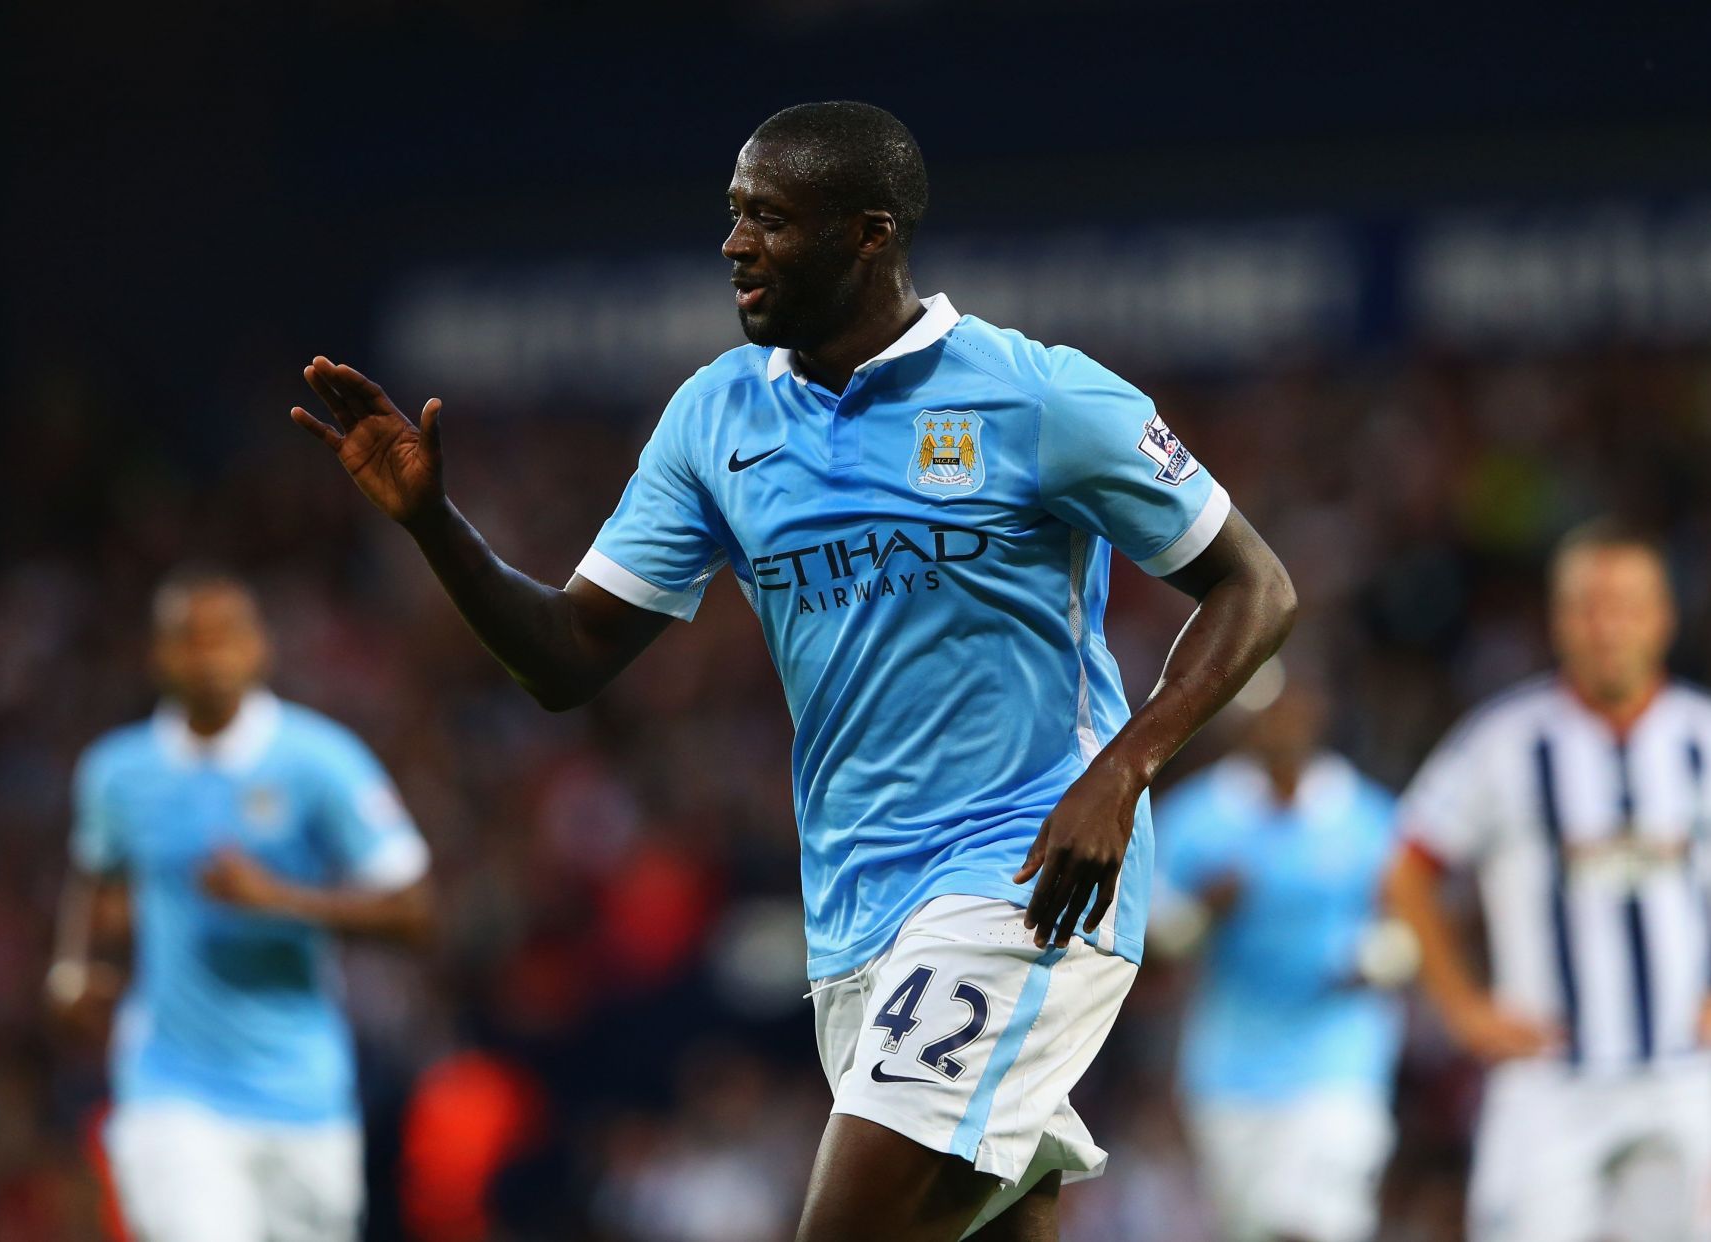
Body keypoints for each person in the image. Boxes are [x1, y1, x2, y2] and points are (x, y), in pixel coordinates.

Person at [290, 101, 1296, 1241]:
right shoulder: (714, 418)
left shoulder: (1038, 394)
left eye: (767, 216)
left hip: (1022, 879)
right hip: (855, 918)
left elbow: (1256, 586)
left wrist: (1122, 772)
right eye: (732, 216)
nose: (734, 244)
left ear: (869, 235)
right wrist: (435, 526)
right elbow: (567, 657)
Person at [1383, 519, 1711, 1242]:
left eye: (1626, 604)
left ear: (1663, 617)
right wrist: (1464, 1008)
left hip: (1679, 1076)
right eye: (1588, 606)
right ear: (1559, 620)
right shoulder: (1500, 745)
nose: (1607, 627)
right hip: (1546, 1079)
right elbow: (1407, 872)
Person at [49, 570, 436, 1242]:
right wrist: (74, 967)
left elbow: (416, 911)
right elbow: (97, 876)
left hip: (304, 1093)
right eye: (188, 641)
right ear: (158, 655)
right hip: (172, 1090)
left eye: (225, 638)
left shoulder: (321, 763)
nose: (209, 658)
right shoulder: (117, 772)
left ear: (260, 649)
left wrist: (278, 899)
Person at [1154, 677, 1405, 1242]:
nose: (1282, 723)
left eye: (1294, 708)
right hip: (1228, 1069)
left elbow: (1411, 930)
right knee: (1250, 1228)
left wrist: (1375, 961)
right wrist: (1202, 914)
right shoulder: (1197, 817)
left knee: (1318, 1224)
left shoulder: (1366, 817)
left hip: (1339, 1061)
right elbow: (1148, 943)